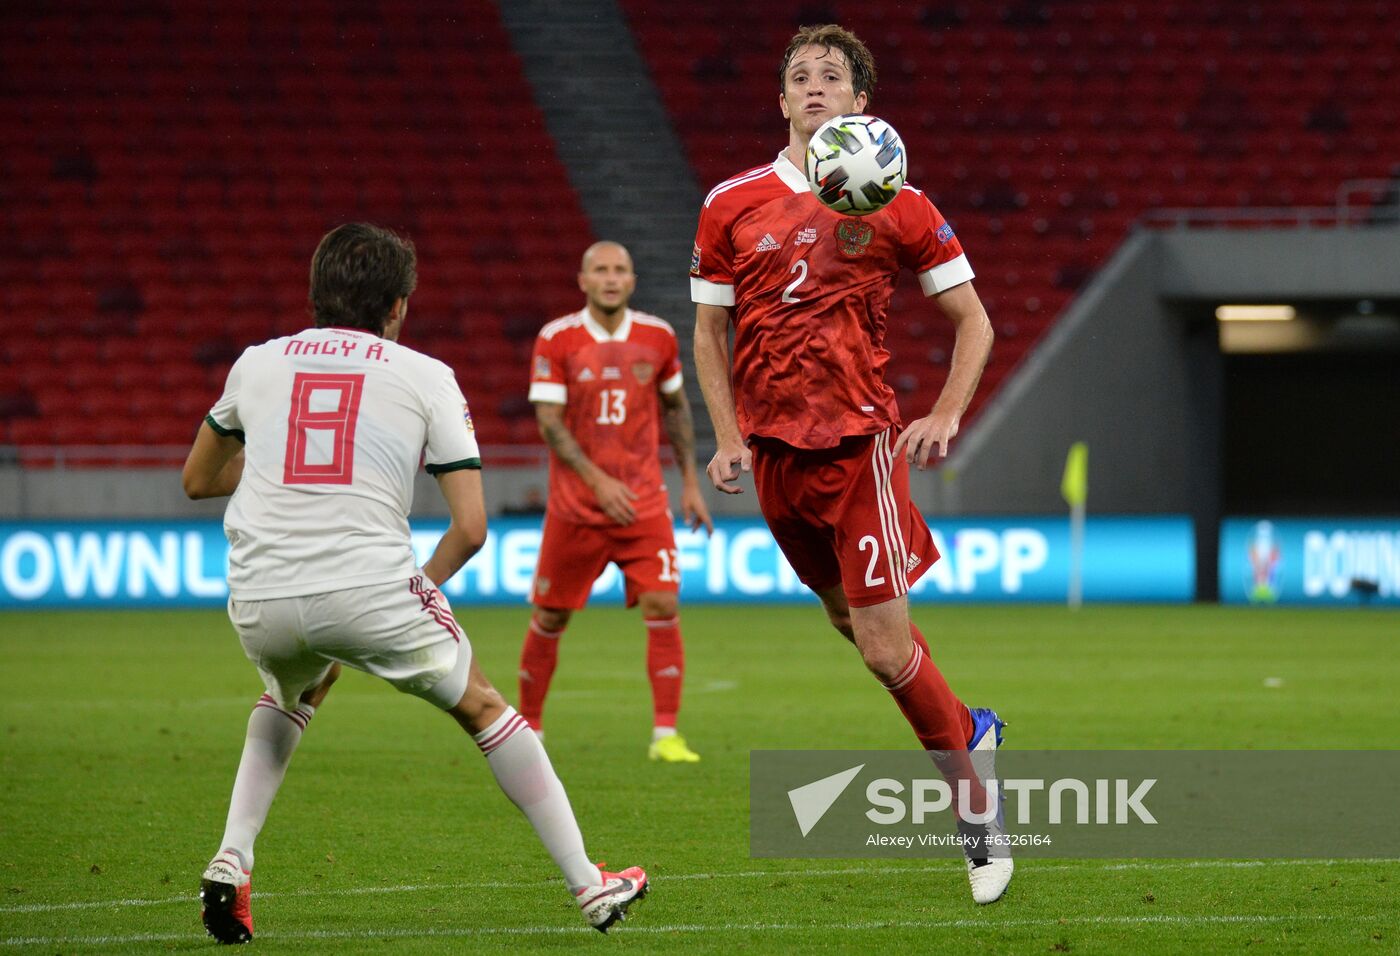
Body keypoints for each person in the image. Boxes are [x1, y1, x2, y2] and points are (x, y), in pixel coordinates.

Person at [182, 224, 647, 942]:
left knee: (292, 692)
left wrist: (283, 466)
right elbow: (470, 526)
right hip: (368, 585)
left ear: (315, 292)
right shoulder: (425, 374)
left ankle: (231, 859)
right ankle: (591, 885)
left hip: (260, 591)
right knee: (487, 707)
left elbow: (197, 479)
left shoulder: (256, 363)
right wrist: (420, 588)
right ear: (398, 306)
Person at [689, 25, 1011, 904]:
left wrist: (946, 412)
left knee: (878, 646)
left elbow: (974, 320)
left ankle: (978, 817)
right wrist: (724, 437)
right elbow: (710, 333)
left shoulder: (897, 200)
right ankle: (970, 726)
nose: (816, 85)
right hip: (772, 459)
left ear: (861, 102)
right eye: (800, 76)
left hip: (858, 445)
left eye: (834, 75)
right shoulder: (731, 203)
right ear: (782, 102)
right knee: (852, 626)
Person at [521, 241, 713, 761]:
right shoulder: (556, 339)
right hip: (575, 508)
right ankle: (530, 731)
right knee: (551, 617)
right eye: (600, 270)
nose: (610, 278)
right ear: (582, 280)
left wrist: (691, 484)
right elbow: (549, 424)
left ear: (632, 280)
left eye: (620, 270)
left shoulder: (658, 336)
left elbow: (676, 410)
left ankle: (666, 735)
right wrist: (596, 480)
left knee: (663, 603)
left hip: (644, 502)